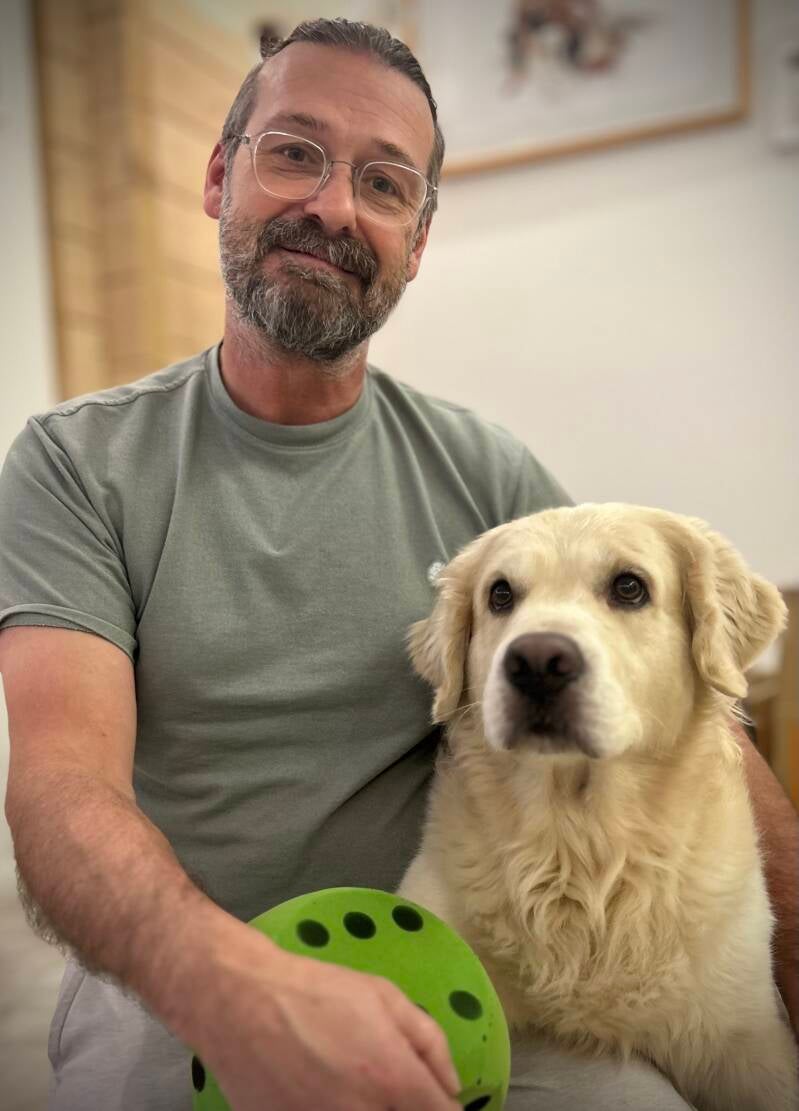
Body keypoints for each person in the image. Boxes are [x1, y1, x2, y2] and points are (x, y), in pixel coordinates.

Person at [0, 18, 796, 1111]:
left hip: (449, 960)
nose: (334, 207)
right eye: (294, 152)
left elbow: (693, 713)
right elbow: (61, 783)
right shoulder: (76, 463)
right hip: (178, 968)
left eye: (384, 183)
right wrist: (228, 985)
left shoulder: (485, 471)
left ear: (415, 242)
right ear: (219, 176)